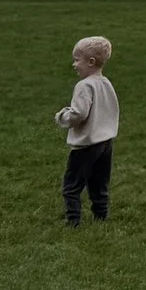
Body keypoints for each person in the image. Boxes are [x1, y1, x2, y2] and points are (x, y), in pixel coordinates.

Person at [53, 35, 120, 227]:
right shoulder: (106, 83)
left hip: (86, 144)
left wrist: (62, 116)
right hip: (105, 142)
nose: (74, 65)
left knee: (72, 185)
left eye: (77, 60)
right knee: (99, 182)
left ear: (91, 62)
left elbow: (79, 114)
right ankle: (101, 215)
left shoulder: (84, 86)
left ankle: (73, 221)